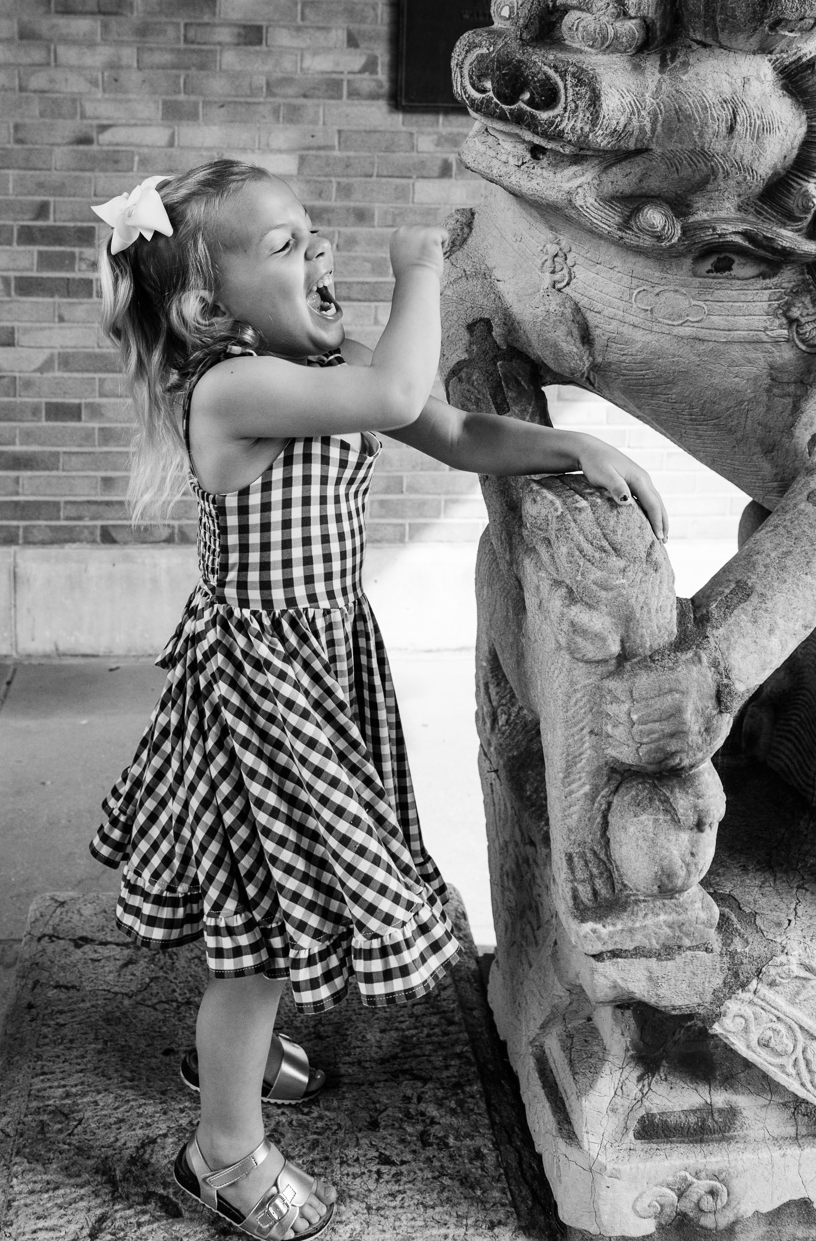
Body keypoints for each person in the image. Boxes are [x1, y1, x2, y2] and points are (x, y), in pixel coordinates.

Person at [88, 160, 668, 1240]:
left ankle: (236, 1061)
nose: (317, 251)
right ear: (210, 306)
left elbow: (442, 431)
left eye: (311, 232)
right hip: (263, 689)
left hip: (320, 665)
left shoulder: (315, 364)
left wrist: (565, 448)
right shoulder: (231, 386)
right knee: (257, 924)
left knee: (285, 879)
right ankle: (221, 1149)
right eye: (282, 245)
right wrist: (420, 275)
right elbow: (402, 395)